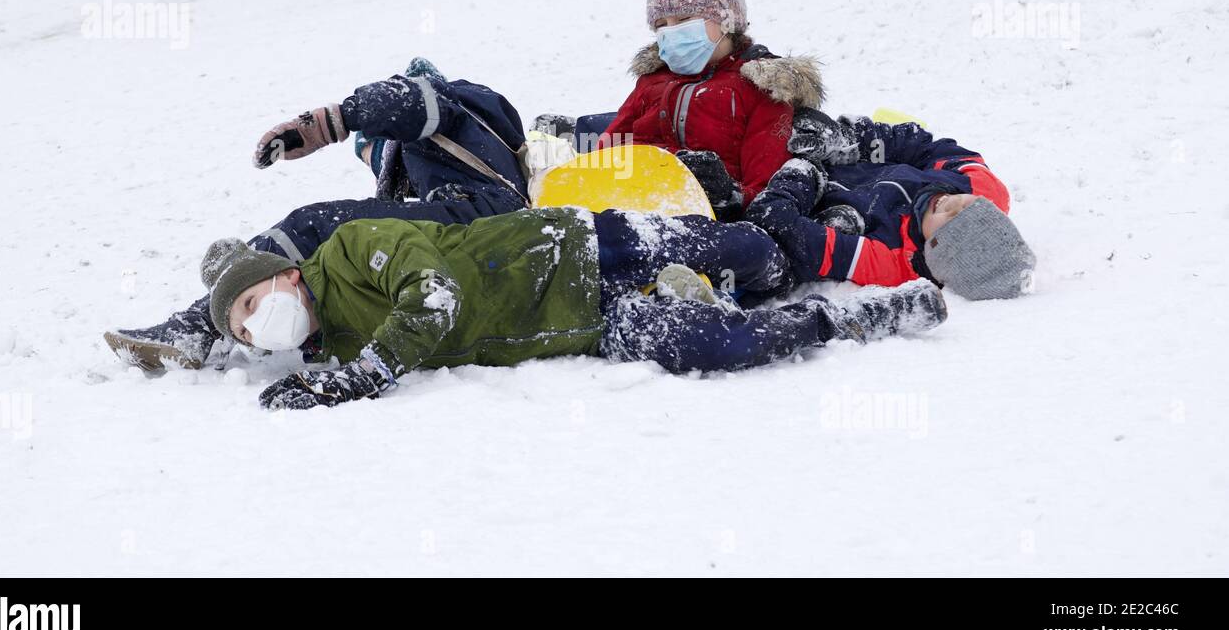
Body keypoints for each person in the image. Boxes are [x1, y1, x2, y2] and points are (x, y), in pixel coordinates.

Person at [196, 207, 948, 410]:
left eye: (258, 300)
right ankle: (855, 318)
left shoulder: (357, 248)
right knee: (715, 345)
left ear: (290, 276)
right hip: (589, 324)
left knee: (752, 250)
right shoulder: (328, 351)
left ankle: (833, 219)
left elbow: (436, 296)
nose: (258, 322)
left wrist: (365, 374)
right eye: (243, 324)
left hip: (579, 249)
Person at [104, 60, 533, 370]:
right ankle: (251, 304)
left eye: (372, 148)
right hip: (472, 215)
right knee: (342, 236)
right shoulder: (421, 149)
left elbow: (407, 102)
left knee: (319, 223)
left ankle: (205, 320)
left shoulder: (443, 105)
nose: (371, 156)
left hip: (487, 214)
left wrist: (328, 124)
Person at [592, 0, 825, 219]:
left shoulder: (761, 88)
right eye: (661, 25)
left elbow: (768, 190)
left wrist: (728, 193)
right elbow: (605, 152)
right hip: (634, 206)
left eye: (685, 20)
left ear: (727, 20)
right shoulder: (652, 82)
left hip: (708, 220)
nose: (671, 33)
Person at [745, 111, 1036, 300]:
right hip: (828, 151)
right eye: (969, 206)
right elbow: (921, 145)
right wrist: (851, 140)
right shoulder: (981, 187)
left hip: (788, 184)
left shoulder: (894, 262)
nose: (952, 204)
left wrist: (798, 178)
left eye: (951, 221)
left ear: (937, 254)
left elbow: (802, 242)